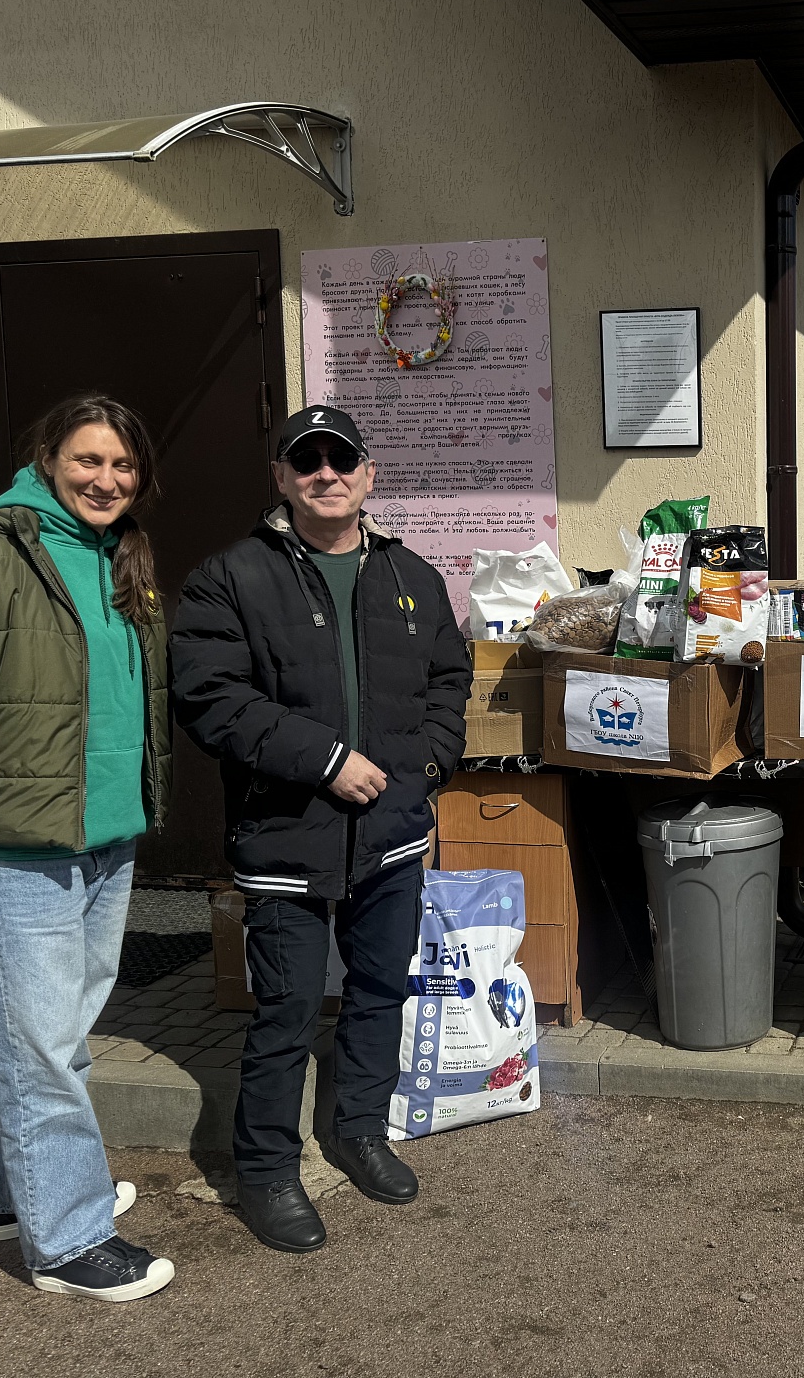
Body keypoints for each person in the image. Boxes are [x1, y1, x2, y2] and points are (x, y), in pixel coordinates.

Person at [0, 394, 175, 1301]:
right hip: (20, 847)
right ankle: (69, 1242)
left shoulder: (120, 557)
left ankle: (15, 1196)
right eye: (88, 460)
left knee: (48, 1033)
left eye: (123, 466)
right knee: (42, 1044)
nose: (106, 480)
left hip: (105, 836)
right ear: (47, 458)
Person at [169, 405, 470, 1254]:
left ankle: (360, 1130)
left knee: (380, 990)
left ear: (369, 476)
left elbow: (450, 677)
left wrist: (431, 764)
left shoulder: (411, 575)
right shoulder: (229, 578)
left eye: (343, 460)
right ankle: (267, 1170)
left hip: (393, 832)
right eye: (307, 462)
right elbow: (210, 696)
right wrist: (326, 758)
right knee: (288, 1007)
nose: (326, 474)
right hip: (284, 835)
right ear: (281, 479)